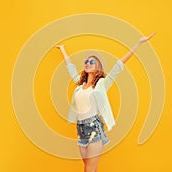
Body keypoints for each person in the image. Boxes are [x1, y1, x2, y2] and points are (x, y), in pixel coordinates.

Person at [56, 32, 155, 172]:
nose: (88, 63)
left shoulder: (101, 84)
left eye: (92, 62)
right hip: (81, 130)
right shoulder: (79, 85)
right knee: (90, 168)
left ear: (98, 68)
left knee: (89, 170)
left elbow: (119, 65)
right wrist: (63, 50)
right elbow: (70, 67)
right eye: (86, 61)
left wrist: (138, 43)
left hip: (95, 129)